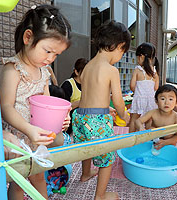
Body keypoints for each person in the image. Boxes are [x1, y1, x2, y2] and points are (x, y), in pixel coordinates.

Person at [0, 5, 72, 199]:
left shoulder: (44, 72)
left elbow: (47, 105)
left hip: (35, 137)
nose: (51, 58)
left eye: (56, 55)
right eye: (48, 51)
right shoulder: (12, 70)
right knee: (19, 181)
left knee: (39, 176)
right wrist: (28, 130)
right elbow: (5, 107)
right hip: (17, 139)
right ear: (28, 37)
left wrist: (61, 121)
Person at [72, 20, 131, 200]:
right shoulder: (111, 70)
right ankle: (100, 195)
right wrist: (124, 115)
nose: (121, 56)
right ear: (119, 46)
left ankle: (85, 173)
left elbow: (88, 96)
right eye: (123, 52)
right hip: (97, 121)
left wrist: (104, 110)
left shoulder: (87, 67)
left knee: (86, 148)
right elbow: (119, 101)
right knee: (107, 158)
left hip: (80, 117)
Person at [135, 84, 177, 150]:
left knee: (170, 135)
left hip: (168, 143)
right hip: (153, 141)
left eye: (170, 99)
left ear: (176, 102)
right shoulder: (153, 112)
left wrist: (165, 142)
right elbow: (138, 121)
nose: (166, 102)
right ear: (156, 101)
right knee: (150, 128)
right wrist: (141, 127)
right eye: (162, 99)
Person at [128, 42, 159, 133]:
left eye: (137, 57)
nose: (137, 60)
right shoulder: (154, 71)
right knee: (149, 120)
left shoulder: (138, 70)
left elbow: (132, 86)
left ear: (141, 56)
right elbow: (156, 87)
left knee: (134, 119)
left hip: (139, 99)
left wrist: (137, 90)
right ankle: (148, 140)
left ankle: (130, 139)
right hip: (151, 100)